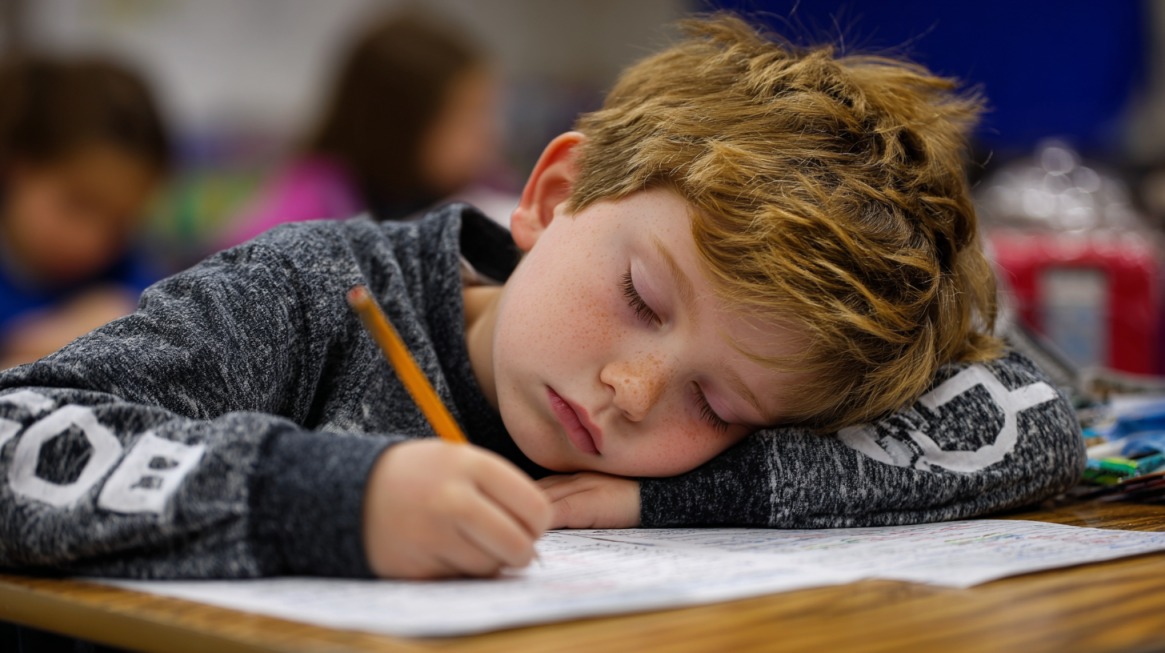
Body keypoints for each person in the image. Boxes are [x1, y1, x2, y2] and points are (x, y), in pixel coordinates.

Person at [0, 15, 1083, 582]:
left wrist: (679, 497)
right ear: (554, 194)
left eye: (721, 405)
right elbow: (17, 433)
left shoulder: (675, 453)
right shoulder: (308, 293)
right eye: (640, 295)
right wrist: (331, 497)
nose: (630, 391)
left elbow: (1036, 424)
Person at [220, 9, 503, 248]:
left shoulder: (482, 189)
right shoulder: (304, 212)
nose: (489, 135)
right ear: (398, 126)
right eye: (466, 118)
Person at [0, 54, 171, 369]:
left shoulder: (122, 268)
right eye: (78, 204)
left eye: (120, 223)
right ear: (19, 168)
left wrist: (121, 309)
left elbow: (166, 317)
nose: (92, 241)